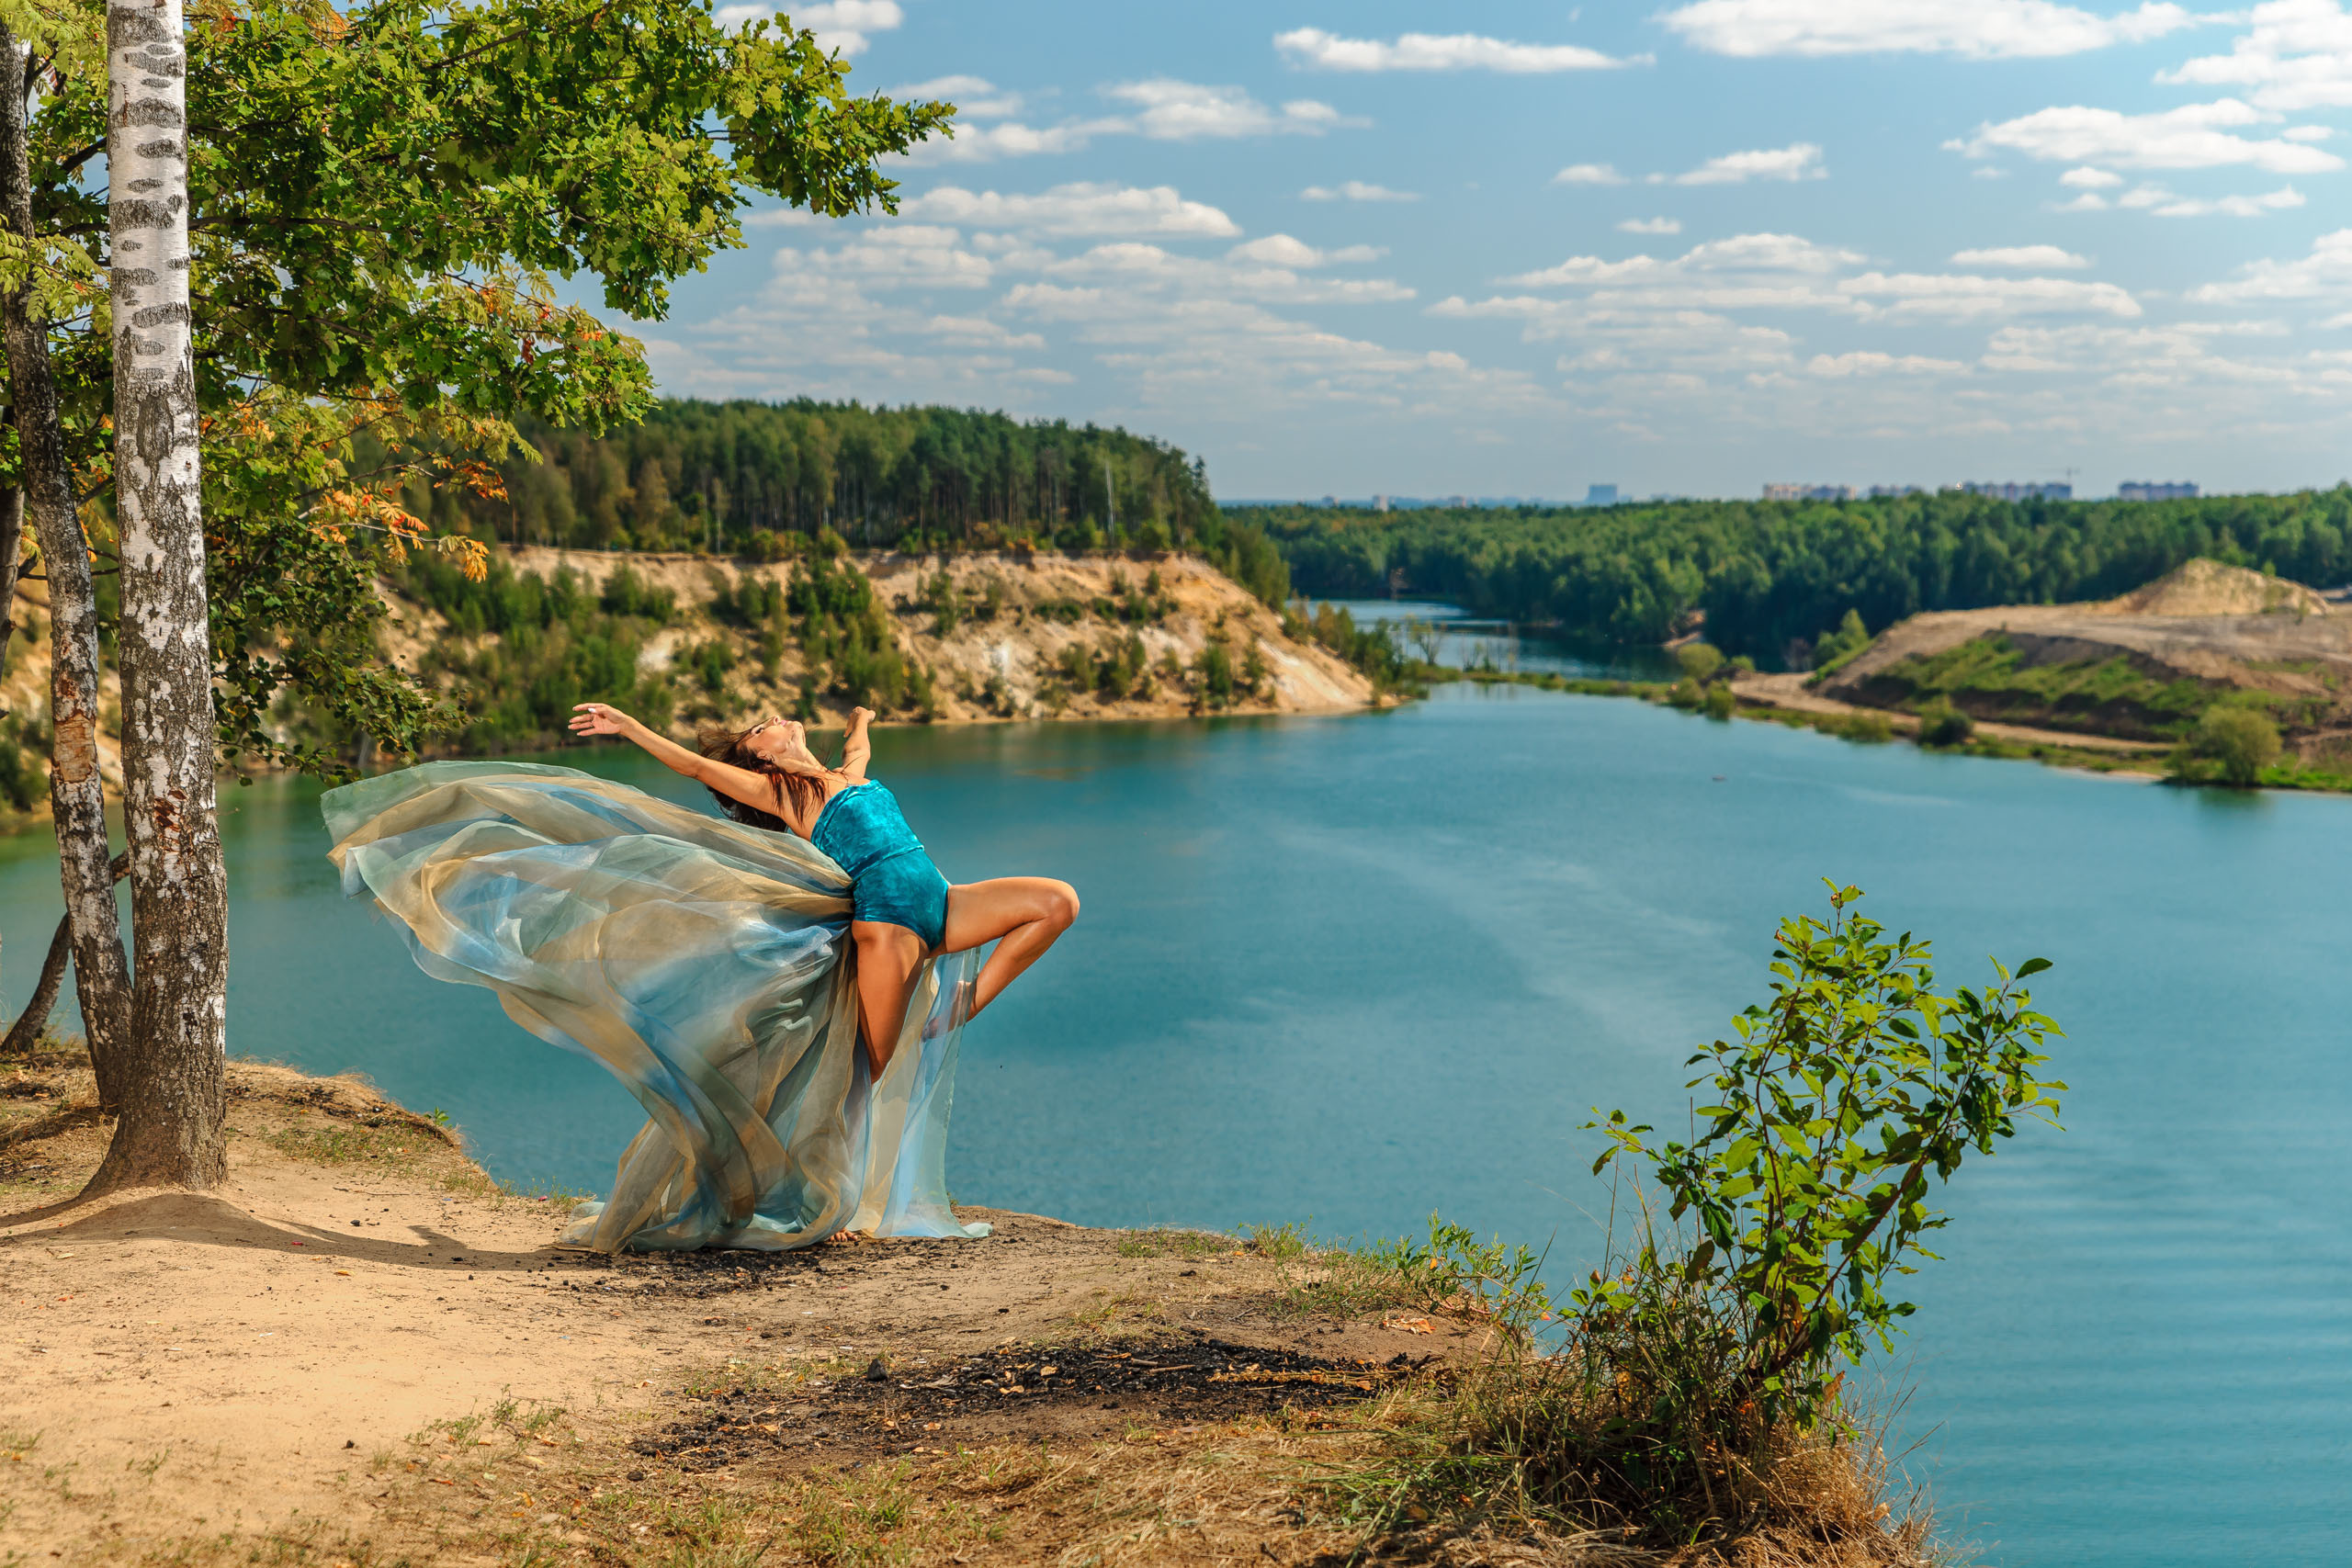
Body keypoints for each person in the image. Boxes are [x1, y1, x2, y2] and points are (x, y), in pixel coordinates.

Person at [566, 701, 1078, 1077]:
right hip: (891, 926)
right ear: (762, 761)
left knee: (1057, 903)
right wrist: (630, 726)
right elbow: (697, 767)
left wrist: (862, 718)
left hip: (943, 902)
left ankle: (965, 1003)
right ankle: (830, 1202)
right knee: (867, 1073)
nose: (770, 719)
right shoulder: (784, 793)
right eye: (759, 731)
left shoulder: (845, 775)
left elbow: (859, 747)